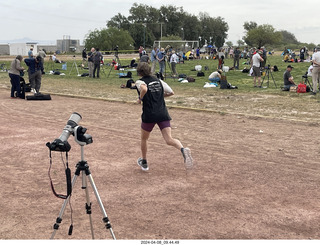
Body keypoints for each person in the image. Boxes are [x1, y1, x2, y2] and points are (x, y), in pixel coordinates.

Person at [135, 62, 193, 171]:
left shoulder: (140, 81)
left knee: (144, 139)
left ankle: (144, 162)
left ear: (139, 72)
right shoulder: (159, 80)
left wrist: (140, 99)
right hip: (162, 113)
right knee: (169, 139)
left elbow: (144, 89)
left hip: (149, 114)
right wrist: (159, 97)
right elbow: (171, 92)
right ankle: (182, 149)